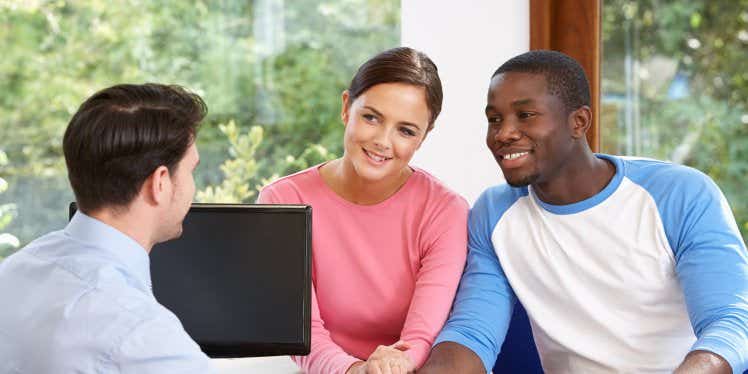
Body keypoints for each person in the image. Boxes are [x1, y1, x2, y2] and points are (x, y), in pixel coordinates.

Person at [420, 50, 748, 374]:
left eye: (525, 115)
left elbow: (733, 323)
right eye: (494, 119)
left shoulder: (680, 194)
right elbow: (473, 333)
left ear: (579, 122)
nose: (503, 133)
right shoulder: (493, 213)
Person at [258, 47, 469, 374]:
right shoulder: (283, 200)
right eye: (371, 117)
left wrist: (393, 365)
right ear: (346, 108)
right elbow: (302, 333)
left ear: (423, 138)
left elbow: (422, 336)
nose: (383, 141)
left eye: (406, 130)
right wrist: (355, 370)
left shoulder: (445, 211)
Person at [0, 84, 213, 373]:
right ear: (160, 183)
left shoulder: (14, 271)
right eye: (191, 171)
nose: (192, 187)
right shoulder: (141, 336)